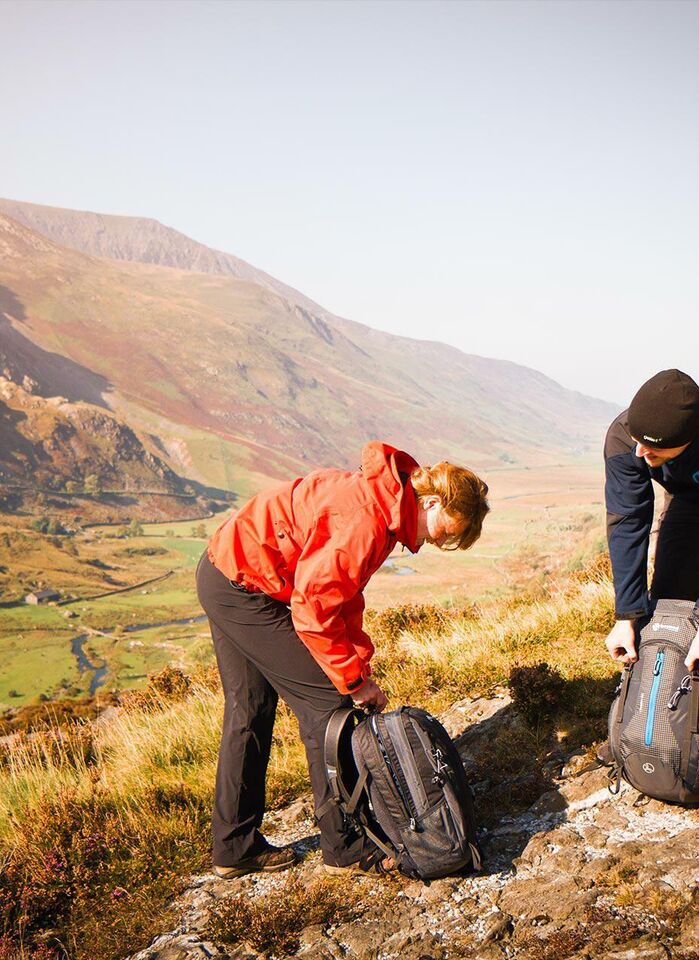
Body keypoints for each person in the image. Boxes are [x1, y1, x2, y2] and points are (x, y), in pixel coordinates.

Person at [196, 441, 489, 878]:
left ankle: (234, 847)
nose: (440, 541)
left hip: (228, 570)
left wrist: (360, 665)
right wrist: (352, 682)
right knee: (327, 708)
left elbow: (343, 597)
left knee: (250, 709)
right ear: (429, 502)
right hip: (245, 588)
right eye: (448, 530)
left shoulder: (381, 504)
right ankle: (345, 847)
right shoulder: (368, 519)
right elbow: (314, 608)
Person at [603, 369, 699, 672]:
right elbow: (627, 523)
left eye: (654, 447)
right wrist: (627, 615)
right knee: (670, 606)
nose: (641, 452)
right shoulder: (622, 436)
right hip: (685, 497)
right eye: (637, 441)